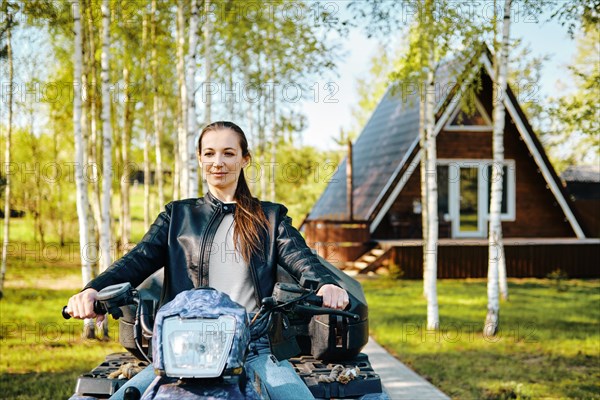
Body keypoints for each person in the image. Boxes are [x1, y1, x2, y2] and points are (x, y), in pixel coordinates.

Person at [67, 121, 349, 400]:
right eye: (210, 153)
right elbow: (137, 259)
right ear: (200, 159)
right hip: (182, 349)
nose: (218, 162)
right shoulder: (177, 216)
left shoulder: (270, 218)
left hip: (253, 348)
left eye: (228, 153)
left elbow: (302, 259)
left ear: (244, 159)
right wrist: (93, 289)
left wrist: (326, 285)